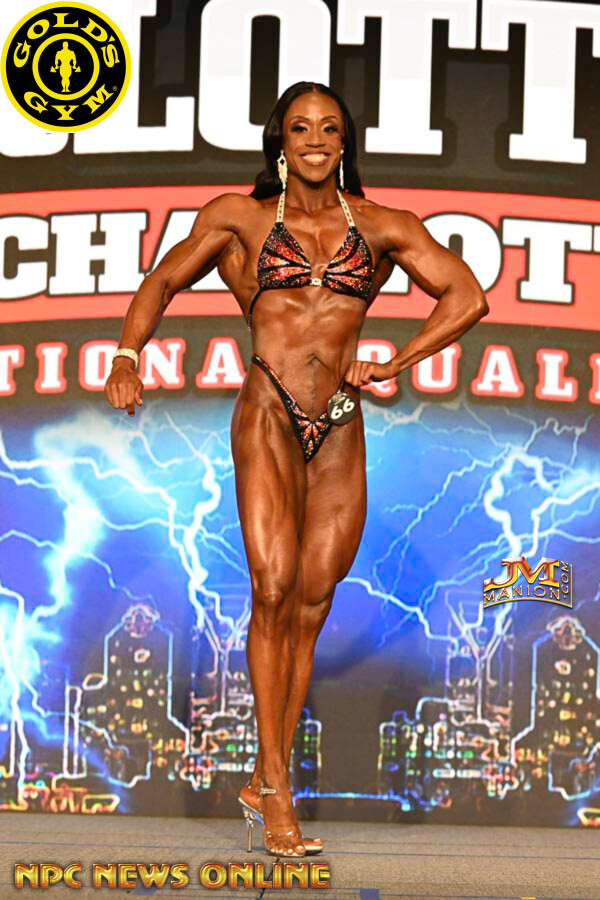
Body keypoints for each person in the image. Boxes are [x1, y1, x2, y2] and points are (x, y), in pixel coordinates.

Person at [105, 81, 489, 857]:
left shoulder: (382, 226)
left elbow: (467, 296)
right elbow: (163, 279)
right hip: (269, 412)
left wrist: (395, 362)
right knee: (273, 590)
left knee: (312, 602)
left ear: (345, 142)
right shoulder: (239, 218)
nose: (315, 139)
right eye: (301, 127)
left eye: (329, 127)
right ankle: (278, 791)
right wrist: (126, 354)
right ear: (279, 140)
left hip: (341, 419)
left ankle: (263, 774)